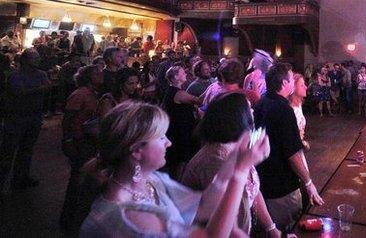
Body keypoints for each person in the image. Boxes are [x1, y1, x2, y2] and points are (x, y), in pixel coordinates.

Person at [80, 100, 271, 237]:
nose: (169, 143)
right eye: (162, 137)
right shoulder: (127, 216)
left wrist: (233, 161)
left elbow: (203, 206)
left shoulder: (152, 181)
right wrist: (240, 171)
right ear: (137, 150)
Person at [182, 93, 283, 237]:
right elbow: (229, 229)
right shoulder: (214, 161)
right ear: (236, 117)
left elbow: (253, 190)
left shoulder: (235, 148)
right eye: (248, 108)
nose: (253, 111)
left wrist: (271, 228)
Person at [253, 62, 324, 232]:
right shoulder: (283, 109)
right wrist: (308, 183)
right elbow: (293, 154)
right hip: (281, 186)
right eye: (292, 79)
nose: (294, 81)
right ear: (284, 84)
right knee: (287, 227)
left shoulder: (261, 102)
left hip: (264, 179)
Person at [60, 64, 104, 232]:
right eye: (97, 72)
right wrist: (68, 141)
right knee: (77, 179)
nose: (101, 73)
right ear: (88, 77)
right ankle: (68, 221)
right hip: (79, 141)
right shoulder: (79, 94)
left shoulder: (95, 93)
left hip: (88, 140)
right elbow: (68, 120)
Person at [0, 48, 51, 190]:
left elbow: (41, 88)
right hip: (17, 116)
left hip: (33, 115)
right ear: (25, 60)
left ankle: (20, 178)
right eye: (35, 58)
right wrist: (39, 89)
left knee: (27, 149)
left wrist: (31, 90)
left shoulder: (39, 74)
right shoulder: (15, 75)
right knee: (8, 151)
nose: (38, 60)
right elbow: (19, 93)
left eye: (38, 58)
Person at [162, 65, 202, 178]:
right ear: (176, 77)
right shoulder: (179, 93)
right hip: (180, 131)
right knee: (182, 160)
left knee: (177, 160)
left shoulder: (172, 90)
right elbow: (199, 100)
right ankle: (178, 183)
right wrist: (212, 87)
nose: (185, 73)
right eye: (182, 72)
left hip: (176, 129)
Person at [289, 73, 310, 152]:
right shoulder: (290, 109)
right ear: (293, 88)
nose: (306, 87)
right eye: (302, 85)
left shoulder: (299, 104)